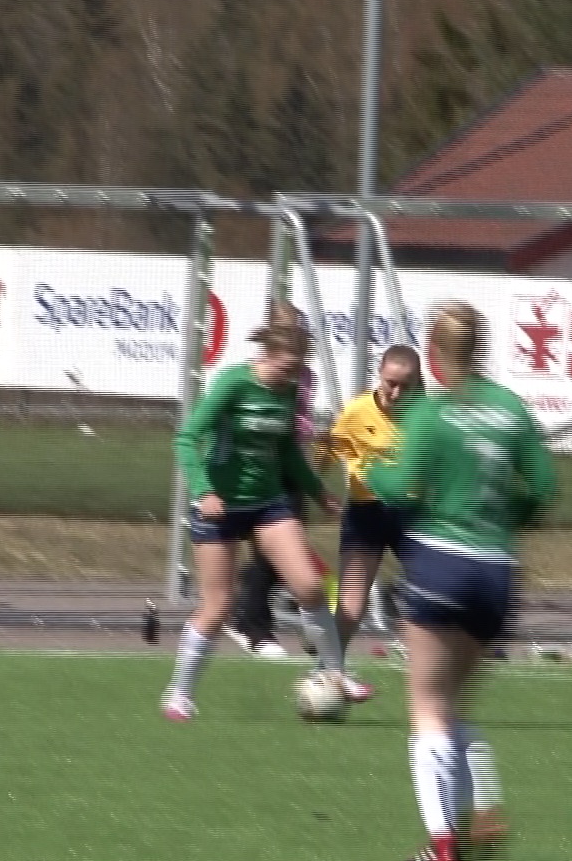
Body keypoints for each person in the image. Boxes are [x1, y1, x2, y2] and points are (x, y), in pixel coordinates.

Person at [366, 304, 556, 861]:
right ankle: (482, 808)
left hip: (443, 564)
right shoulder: (510, 410)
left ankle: (444, 843)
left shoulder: (432, 413)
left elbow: (401, 488)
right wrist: (504, 518)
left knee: (427, 706)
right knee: (450, 705)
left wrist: (371, 470)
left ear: (437, 355)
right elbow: (542, 488)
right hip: (496, 573)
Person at [162, 320, 352, 721]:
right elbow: (186, 439)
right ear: (264, 357)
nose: (292, 375)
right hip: (220, 507)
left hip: (268, 504)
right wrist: (203, 491)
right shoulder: (233, 384)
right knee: (218, 606)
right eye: (286, 366)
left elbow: (286, 453)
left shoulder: (290, 390)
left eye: (298, 367)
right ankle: (179, 693)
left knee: (310, 586)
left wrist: (319, 492)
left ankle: (335, 672)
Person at [227, 301, 320, 660]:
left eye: (295, 326)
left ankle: (252, 613)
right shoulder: (250, 376)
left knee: (288, 550)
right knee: (271, 553)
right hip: (262, 466)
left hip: (291, 464)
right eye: (283, 327)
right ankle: (255, 627)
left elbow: (302, 416)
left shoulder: (306, 374)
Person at [327, 343, 425, 683]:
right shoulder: (356, 412)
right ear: (379, 376)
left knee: (435, 591)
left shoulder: (427, 417)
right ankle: (329, 670)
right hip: (366, 514)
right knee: (352, 607)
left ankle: (431, 666)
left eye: (404, 386)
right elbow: (328, 448)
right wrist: (315, 485)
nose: (395, 393)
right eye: (389, 383)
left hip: (413, 516)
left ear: (418, 384)